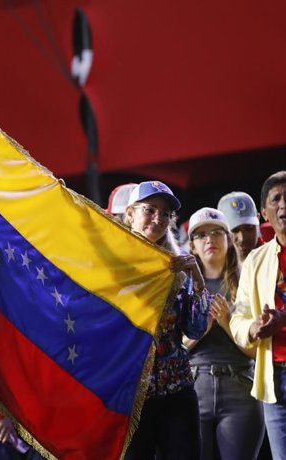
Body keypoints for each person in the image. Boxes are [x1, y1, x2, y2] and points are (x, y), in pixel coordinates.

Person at [122, 181, 209, 459]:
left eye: (165, 213)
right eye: (149, 210)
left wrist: (197, 281)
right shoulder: (112, 267)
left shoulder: (177, 266)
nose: (158, 218)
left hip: (177, 394)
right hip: (130, 397)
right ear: (130, 214)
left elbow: (194, 328)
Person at [183, 207, 264, 459]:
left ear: (229, 240)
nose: (210, 239)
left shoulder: (248, 283)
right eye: (201, 235)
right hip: (194, 387)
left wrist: (227, 322)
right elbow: (173, 349)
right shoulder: (181, 286)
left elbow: (255, 352)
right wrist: (201, 329)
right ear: (192, 246)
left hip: (240, 386)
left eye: (217, 232)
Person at [229, 171, 286, 458]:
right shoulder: (257, 261)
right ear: (265, 213)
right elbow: (238, 318)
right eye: (276, 199)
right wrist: (252, 329)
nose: (284, 205)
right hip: (274, 382)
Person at [218, 191, 262, 264]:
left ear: (258, 219)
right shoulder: (214, 267)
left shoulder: (275, 258)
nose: (242, 238)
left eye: (249, 228)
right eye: (234, 230)